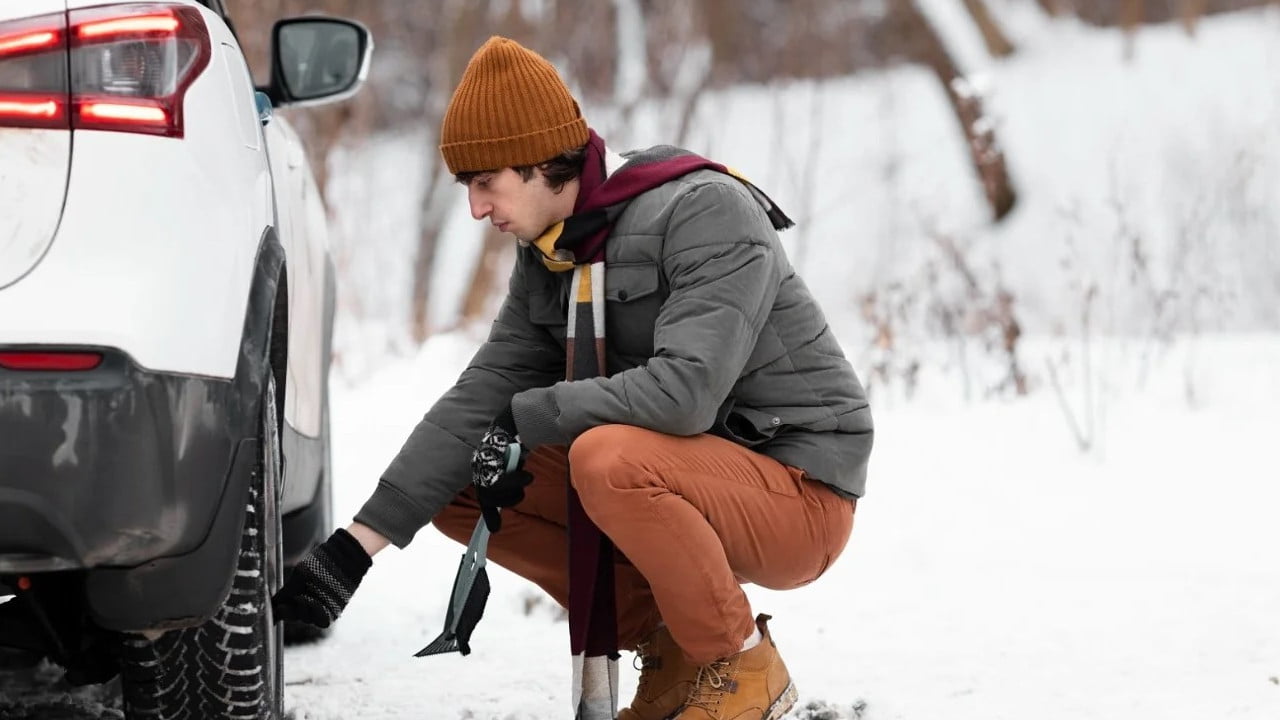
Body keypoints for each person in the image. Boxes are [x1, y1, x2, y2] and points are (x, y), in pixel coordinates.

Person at [272, 35, 873, 720]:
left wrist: (536, 414)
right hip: (685, 474)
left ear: (537, 163)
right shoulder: (553, 255)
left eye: (485, 183)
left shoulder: (704, 210)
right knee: (470, 477)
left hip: (797, 491)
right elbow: (480, 397)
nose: (476, 209)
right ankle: (673, 650)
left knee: (605, 457)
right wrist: (355, 548)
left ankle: (740, 663)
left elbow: (685, 395)